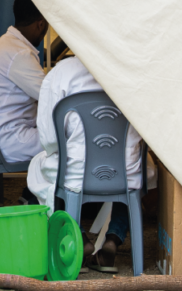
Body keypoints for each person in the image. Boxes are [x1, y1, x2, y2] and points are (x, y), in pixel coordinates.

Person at [27, 56, 143, 272]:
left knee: (40, 168)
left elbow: (50, 139)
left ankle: (78, 239)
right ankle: (113, 240)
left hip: (78, 172)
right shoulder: (133, 65)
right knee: (140, 170)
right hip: (125, 172)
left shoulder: (62, 72)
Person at [0, 0, 48, 166]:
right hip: (4, 142)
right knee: (71, 141)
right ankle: (35, 193)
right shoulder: (19, 54)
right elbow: (51, 96)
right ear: (41, 24)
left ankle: (32, 191)